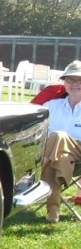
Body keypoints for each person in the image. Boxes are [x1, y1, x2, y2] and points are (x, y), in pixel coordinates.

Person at [37, 60, 81, 223]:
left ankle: (40, 168)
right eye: (70, 80)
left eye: (79, 81)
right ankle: (53, 212)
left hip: (79, 155)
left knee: (58, 136)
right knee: (58, 155)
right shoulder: (51, 106)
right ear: (64, 83)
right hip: (59, 156)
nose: (74, 84)